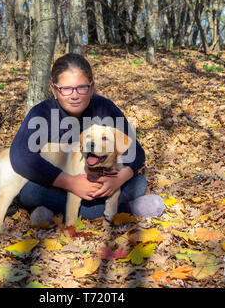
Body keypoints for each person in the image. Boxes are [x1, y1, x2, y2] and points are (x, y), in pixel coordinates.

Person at [10, 53, 164, 224]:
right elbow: (20, 156)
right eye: (66, 89)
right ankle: (126, 209)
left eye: (81, 87)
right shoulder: (42, 112)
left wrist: (119, 179)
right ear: (54, 90)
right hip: (59, 187)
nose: (74, 95)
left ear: (91, 88)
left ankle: (51, 212)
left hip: (104, 185)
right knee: (29, 192)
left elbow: (136, 151)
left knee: (139, 182)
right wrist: (71, 183)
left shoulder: (105, 108)